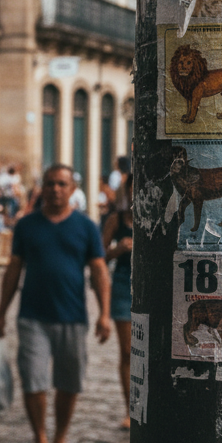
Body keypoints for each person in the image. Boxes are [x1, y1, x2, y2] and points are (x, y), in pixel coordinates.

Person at [0, 164, 112, 443]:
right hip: (33, 317)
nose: (55, 189)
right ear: (41, 188)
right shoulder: (27, 226)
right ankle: (40, 442)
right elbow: (13, 270)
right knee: (33, 381)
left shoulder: (86, 227)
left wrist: (105, 314)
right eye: (49, 184)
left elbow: (99, 271)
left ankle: (60, 440)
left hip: (73, 316)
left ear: (72, 190)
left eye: (61, 184)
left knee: (69, 383)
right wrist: (0, 313)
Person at [102, 175, 133, 429]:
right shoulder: (116, 220)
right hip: (123, 284)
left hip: (153, 286)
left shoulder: (159, 217)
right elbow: (99, 257)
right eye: (134, 189)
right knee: (127, 351)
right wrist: (119, 249)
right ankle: (130, 409)